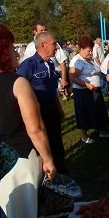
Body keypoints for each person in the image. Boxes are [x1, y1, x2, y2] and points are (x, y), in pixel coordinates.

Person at [0, 25, 57, 218]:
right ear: (2, 52)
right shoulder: (18, 83)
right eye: (10, 48)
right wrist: (48, 159)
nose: (16, 53)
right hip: (22, 162)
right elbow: (35, 128)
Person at [17, 31, 68, 175]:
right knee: (44, 144)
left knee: (57, 142)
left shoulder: (50, 64)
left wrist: (58, 107)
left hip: (52, 110)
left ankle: (61, 172)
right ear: (43, 45)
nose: (57, 47)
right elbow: (19, 89)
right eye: (54, 44)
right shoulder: (28, 65)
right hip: (38, 114)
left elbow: (52, 90)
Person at [69, 35, 109, 144]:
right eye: (88, 51)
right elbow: (72, 77)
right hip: (83, 91)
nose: (90, 53)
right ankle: (84, 136)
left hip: (94, 90)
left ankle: (102, 131)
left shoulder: (89, 60)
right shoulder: (78, 61)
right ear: (81, 49)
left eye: (91, 51)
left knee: (99, 111)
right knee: (84, 113)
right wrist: (86, 85)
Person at [21, 22, 68, 89]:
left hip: (54, 76)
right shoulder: (29, 48)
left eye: (45, 30)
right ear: (35, 32)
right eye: (41, 30)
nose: (44, 32)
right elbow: (25, 68)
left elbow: (62, 62)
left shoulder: (50, 61)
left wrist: (63, 79)